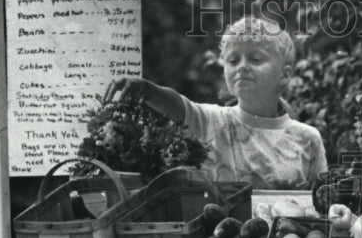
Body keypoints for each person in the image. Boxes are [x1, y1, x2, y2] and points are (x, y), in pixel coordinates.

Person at [104, 17, 327, 189]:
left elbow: (322, 204)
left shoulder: (307, 138)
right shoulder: (212, 120)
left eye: (256, 59)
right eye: (233, 60)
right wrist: (147, 90)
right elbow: (178, 106)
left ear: (285, 75)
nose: (242, 66)